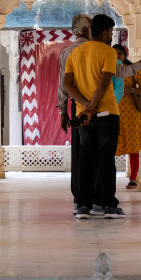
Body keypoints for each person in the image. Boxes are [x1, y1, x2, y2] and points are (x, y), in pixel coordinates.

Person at [63, 14, 141, 219]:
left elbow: (67, 84)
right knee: (105, 160)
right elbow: (105, 83)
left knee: (85, 159)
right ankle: (107, 205)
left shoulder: (75, 54)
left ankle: (84, 206)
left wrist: (85, 107)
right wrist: (92, 107)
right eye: (111, 32)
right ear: (104, 32)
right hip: (106, 114)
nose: (111, 36)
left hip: (83, 116)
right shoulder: (107, 52)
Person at [57, 14, 92, 214]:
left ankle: (80, 198)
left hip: (76, 106)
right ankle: (97, 196)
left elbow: (63, 85)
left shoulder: (67, 52)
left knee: (80, 151)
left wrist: (63, 111)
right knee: (99, 151)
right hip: (98, 106)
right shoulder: (100, 50)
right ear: (86, 30)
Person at [113, 44, 141, 189]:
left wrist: (130, 90)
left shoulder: (131, 70)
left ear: (125, 55)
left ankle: (133, 178)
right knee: (110, 144)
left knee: (133, 146)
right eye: (114, 54)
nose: (117, 56)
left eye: (120, 54)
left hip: (131, 113)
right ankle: (108, 178)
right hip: (113, 111)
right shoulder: (108, 69)